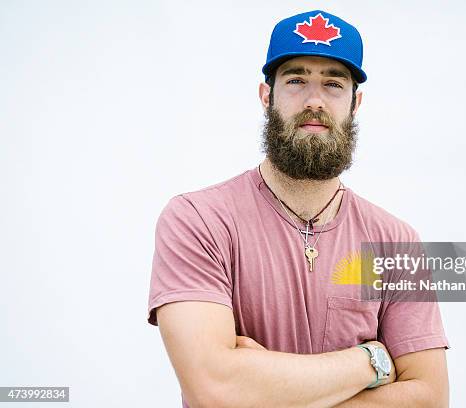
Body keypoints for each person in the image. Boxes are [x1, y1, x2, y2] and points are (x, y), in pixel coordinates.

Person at [147, 9, 450, 408]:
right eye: (295, 81)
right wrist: (372, 361)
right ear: (265, 96)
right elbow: (215, 390)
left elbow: (429, 398)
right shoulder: (198, 220)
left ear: (355, 103)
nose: (314, 101)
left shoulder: (394, 240)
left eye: (333, 84)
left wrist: (261, 387)